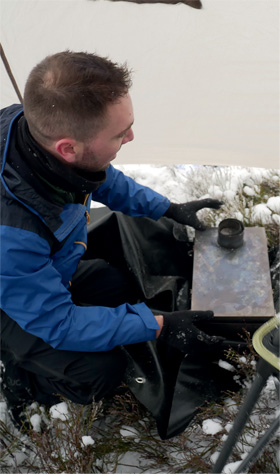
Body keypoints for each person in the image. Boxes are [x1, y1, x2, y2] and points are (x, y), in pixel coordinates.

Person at [0, 51, 223, 426]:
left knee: (113, 282)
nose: (132, 137)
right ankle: (25, 375)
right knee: (100, 372)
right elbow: (58, 323)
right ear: (67, 148)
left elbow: (99, 174)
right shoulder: (12, 238)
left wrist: (166, 208)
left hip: (43, 271)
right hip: (10, 305)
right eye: (121, 134)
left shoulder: (30, 127)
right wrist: (159, 324)